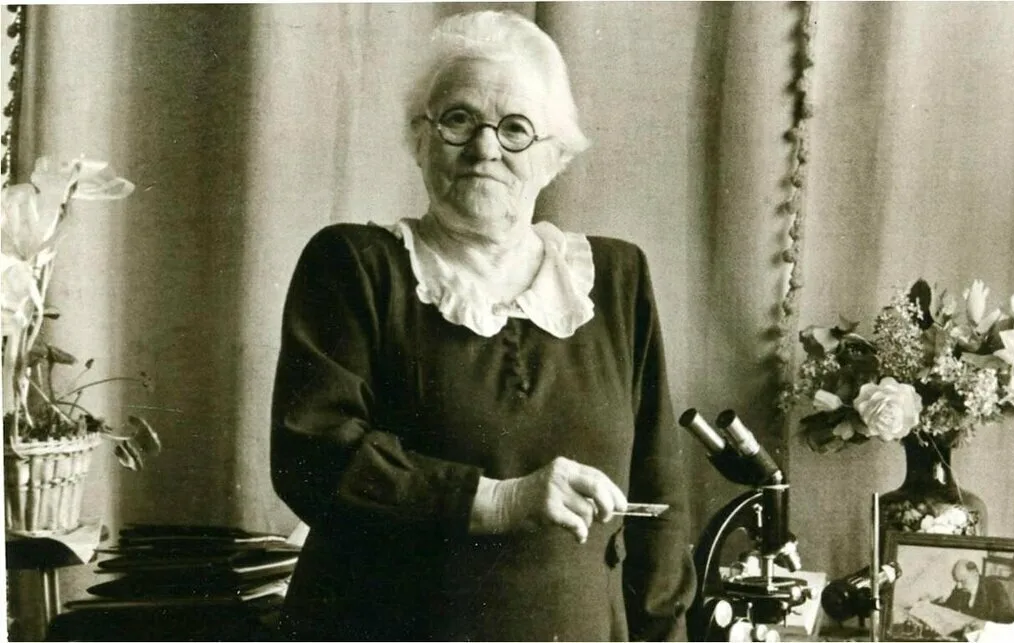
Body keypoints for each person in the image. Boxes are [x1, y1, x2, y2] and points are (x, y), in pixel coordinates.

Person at [269, 10, 696, 642]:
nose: (485, 148)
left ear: (554, 156)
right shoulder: (355, 265)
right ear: (420, 139)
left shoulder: (615, 279)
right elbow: (311, 457)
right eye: (458, 120)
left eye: (516, 128)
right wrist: (498, 500)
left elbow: (659, 504)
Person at [935, 559, 1014, 624]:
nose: (959, 586)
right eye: (957, 581)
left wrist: (985, 625)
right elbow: (949, 609)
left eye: (963, 581)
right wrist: (934, 604)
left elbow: (1007, 618)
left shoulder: (994, 586)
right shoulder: (960, 587)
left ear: (975, 574)